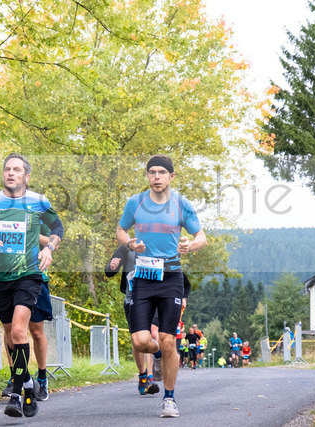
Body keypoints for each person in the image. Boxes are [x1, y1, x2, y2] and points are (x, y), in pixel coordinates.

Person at [0, 153, 64, 418]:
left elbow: (58, 229)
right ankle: (28, 384)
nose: (11, 173)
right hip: (0, 278)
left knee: (20, 332)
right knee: (10, 336)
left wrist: (49, 248)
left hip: (29, 275)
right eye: (7, 169)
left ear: (26, 176)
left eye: (17, 169)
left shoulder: (39, 201)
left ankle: (17, 396)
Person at [116, 154, 207, 418]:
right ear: (147, 175)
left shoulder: (181, 204)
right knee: (141, 341)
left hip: (171, 276)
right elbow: (121, 230)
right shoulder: (135, 202)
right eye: (152, 172)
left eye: (162, 172)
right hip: (143, 276)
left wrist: (191, 245)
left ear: (171, 176)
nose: (157, 177)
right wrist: (129, 243)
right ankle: (156, 355)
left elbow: (201, 236)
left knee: (168, 340)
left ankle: (169, 399)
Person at [2, 224, 54, 401]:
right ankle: (15, 377)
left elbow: (52, 241)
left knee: (36, 332)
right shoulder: (5, 215)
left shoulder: (37, 216)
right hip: (10, 277)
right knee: (11, 330)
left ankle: (42, 378)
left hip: (36, 276)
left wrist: (31, 233)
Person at [105, 245, 160, 395]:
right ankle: (143, 375)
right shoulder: (126, 247)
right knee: (138, 340)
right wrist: (111, 266)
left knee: (152, 333)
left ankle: (151, 376)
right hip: (132, 299)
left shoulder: (158, 244)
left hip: (154, 297)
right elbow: (109, 271)